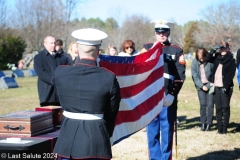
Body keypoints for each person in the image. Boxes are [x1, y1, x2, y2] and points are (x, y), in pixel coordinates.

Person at [53, 28, 121, 160]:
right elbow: (112, 112)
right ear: (99, 52)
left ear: (76, 49)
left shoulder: (60, 72)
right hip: (96, 141)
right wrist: (105, 133)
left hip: (67, 141)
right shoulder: (108, 78)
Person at [144, 20, 186, 160]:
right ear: (155, 33)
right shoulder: (147, 48)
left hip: (167, 97)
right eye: (159, 32)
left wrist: (172, 94)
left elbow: (180, 75)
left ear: (168, 33)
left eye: (164, 32)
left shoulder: (176, 50)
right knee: (152, 133)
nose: (162, 35)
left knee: (167, 132)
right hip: (151, 98)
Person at [206, 42, 236, 134]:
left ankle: (225, 128)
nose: (222, 50)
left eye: (224, 48)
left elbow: (231, 74)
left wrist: (226, 86)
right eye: (221, 48)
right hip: (216, 86)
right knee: (218, 108)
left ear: (228, 49)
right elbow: (207, 59)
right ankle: (220, 128)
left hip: (225, 87)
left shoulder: (231, 60)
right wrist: (213, 50)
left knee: (225, 107)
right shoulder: (216, 58)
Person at [34, 36, 72, 107]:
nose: (53, 45)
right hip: (47, 92)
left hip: (60, 93)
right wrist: (54, 80)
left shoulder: (62, 57)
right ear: (45, 44)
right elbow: (41, 73)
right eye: (51, 43)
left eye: (54, 43)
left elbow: (68, 68)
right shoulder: (38, 57)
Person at [191, 47, 214, 131]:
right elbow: (195, 76)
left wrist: (209, 85)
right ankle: (203, 123)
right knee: (203, 105)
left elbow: (214, 72)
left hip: (210, 85)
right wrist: (201, 86)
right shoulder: (194, 62)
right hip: (200, 87)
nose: (201, 59)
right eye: (199, 57)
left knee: (210, 105)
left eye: (203, 57)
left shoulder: (210, 62)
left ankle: (209, 124)